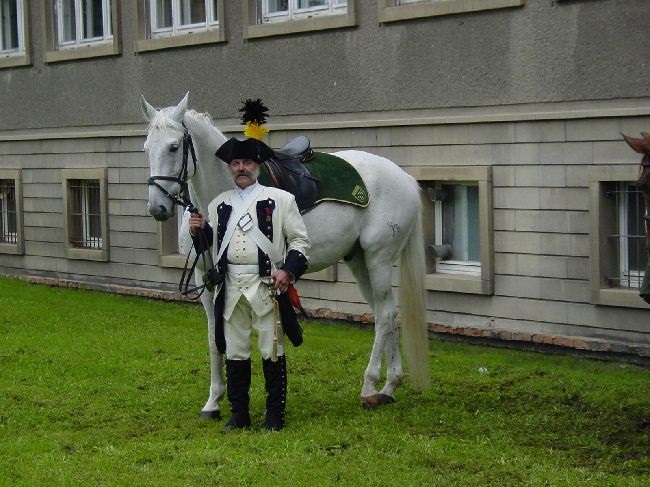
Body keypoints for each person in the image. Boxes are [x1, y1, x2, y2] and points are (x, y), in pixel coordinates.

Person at [189, 136, 310, 431]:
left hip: (266, 285)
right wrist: (198, 231)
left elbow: (300, 241)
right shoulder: (218, 204)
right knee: (235, 351)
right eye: (235, 163)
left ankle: (274, 415)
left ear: (257, 167)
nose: (241, 168)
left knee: (272, 349)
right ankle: (239, 415)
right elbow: (211, 247)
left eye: (246, 163)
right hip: (230, 287)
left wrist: (288, 271)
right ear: (230, 168)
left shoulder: (282, 200)